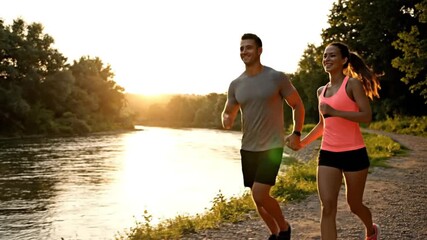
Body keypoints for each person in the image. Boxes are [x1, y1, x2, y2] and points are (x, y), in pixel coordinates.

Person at [222, 33, 305, 240]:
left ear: (259, 50)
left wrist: (296, 133)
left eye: (248, 47)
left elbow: (297, 105)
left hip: (272, 147)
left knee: (260, 193)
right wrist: (226, 119)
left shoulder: (276, 77)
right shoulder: (235, 84)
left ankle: (284, 229)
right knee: (257, 198)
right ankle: (275, 234)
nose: (244, 52)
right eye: (241, 48)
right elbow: (228, 111)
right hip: (248, 147)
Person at [296, 42, 381, 240]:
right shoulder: (321, 91)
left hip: (354, 152)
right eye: (325, 55)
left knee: (354, 204)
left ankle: (371, 229)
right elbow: (322, 125)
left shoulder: (352, 84)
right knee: (327, 207)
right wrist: (302, 143)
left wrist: (335, 112)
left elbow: (366, 116)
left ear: (344, 60)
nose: (327, 59)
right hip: (328, 154)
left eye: (332, 55)